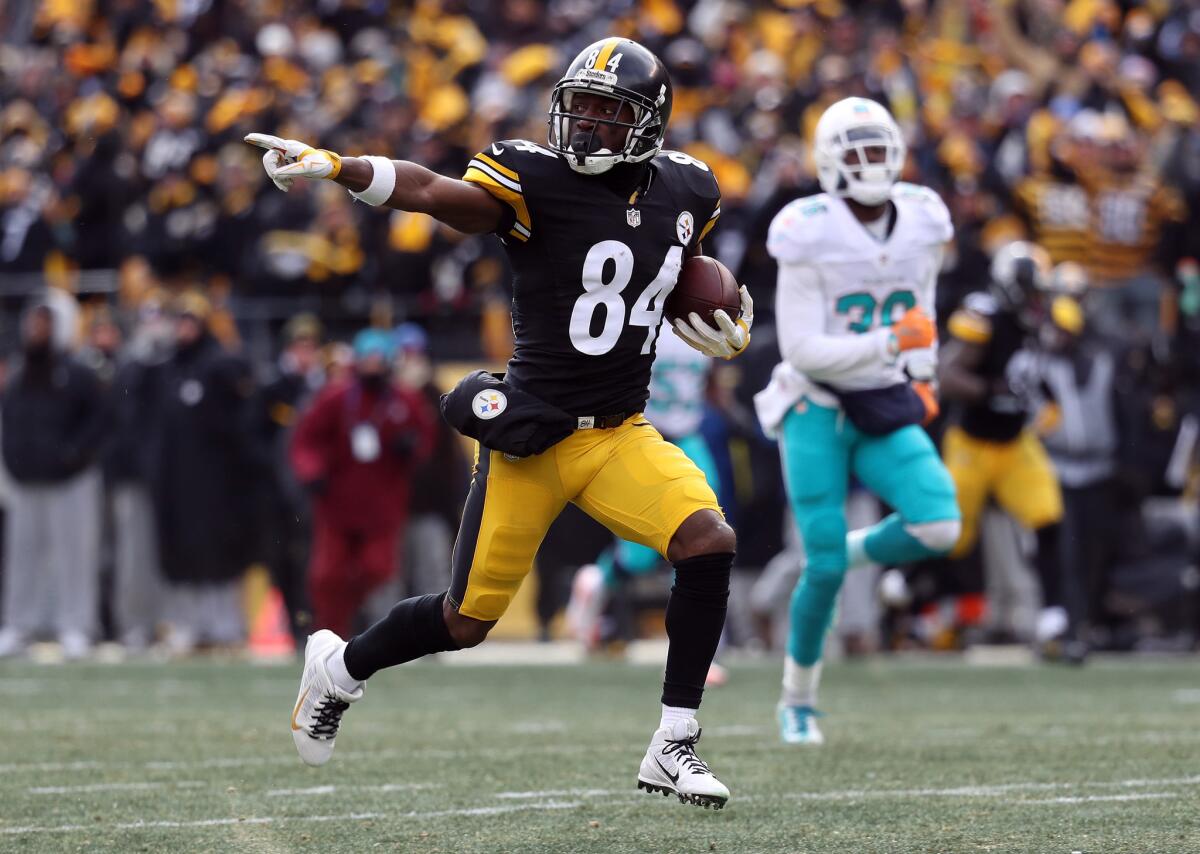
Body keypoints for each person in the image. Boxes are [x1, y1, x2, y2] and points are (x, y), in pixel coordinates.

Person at [249, 36, 752, 808]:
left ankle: (673, 742)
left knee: (707, 541)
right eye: (576, 108)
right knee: (465, 620)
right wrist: (342, 168)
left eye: (604, 114)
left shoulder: (689, 188)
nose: (582, 127)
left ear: (647, 125)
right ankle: (340, 669)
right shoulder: (532, 178)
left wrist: (726, 307)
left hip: (620, 432)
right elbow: (430, 190)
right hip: (535, 436)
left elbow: (674, 268)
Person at [753, 97, 961, 745]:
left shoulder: (922, 218)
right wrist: (895, 347)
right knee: (822, 571)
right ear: (829, 162)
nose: (872, 163)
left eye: (880, 150)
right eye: (858, 152)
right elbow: (803, 350)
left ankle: (835, 555)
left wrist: (921, 374)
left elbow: (921, 305)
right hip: (815, 405)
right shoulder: (807, 228)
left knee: (939, 524)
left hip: (879, 399)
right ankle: (798, 700)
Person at [938, 241, 1067, 654]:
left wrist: (1045, 402)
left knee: (1048, 518)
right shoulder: (985, 316)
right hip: (972, 444)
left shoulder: (1034, 321)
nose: (1037, 299)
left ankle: (1054, 620)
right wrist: (992, 391)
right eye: (1031, 289)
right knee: (947, 533)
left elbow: (1028, 374)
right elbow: (949, 374)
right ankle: (910, 590)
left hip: (1014, 443)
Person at [565, 324, 722, 660]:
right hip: (645, 435)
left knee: (712, 530)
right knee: (638, 556)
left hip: (688, 434)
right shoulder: (641, 320)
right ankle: (597, 583)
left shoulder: (701, 324)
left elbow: (708, 383)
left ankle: (699, 637)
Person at [289, 328, 434, 637]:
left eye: (377, 361)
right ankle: (329, 633)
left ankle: (352, 614)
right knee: (328, 575)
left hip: (383, 504)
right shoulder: (337, 398)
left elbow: (426, 439)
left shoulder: (405, 400)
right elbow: (306, 439)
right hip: (337, 504)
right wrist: (311, 472)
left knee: (378, 568)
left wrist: (411, 448)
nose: (372, 367)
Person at [146, 292, 264, 652]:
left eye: (191, 322)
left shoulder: (218, 366)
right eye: (180, 322)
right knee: (183, 553)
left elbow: (242, 411)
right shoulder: (168, 369)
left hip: (217, 481)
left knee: (218, 553)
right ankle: (188, 624)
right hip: (179, 480)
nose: (184, 329)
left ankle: (224, 624)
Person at [0, 302, 109, 659]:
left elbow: (99, 419)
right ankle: (19, 625)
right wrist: (14, 461)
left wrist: (73, 454)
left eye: (45, 324)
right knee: (22, 557)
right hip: (27, 479)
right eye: (33, 323)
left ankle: (76, 626)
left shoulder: (77, 373)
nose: (37, 330)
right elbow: (11, 422)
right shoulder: (19, 374)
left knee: (74, 556)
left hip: (70, 481)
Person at [257, 313, 325, 646]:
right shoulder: (272, 387)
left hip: (315, 492)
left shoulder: (326, 388)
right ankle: (294, 622)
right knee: (281, 558)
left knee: (314, 559)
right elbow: (251, 435)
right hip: (275, 491)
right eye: (300, 346)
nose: (305, 354)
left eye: (311, 346)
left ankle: (314, 622)